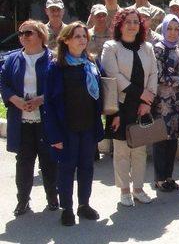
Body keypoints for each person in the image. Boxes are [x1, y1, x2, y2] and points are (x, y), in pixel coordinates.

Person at [44, 22, 104, 226]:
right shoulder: (56, 66)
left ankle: (83, 205)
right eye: (77, 36)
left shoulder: (92, 63)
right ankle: (67, 208)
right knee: (67, 169)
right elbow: (50, 105)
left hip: (88, 127)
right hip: (66, 129)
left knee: (87, 167)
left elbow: (100, 95)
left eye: (84, 36)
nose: (82, 40)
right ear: (66, 40)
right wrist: (54, 136)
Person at [101, 8, 158, 206]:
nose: (133, 25)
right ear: (120, 24)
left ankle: (139, 189)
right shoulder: (111, 47)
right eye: (129, 22)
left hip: (142, 106)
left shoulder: (147, 47)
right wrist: (140, 94)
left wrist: (146, 101)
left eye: (136, 22)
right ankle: (124, 190)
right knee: (122, 150)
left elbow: (153, 74)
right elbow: (114, 75)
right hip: (120, 106)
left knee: (140, 150)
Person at [1, 20, 57, 216]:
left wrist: (41, 99)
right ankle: (23, 200)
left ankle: (53, 197)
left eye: (28, 33)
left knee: (49, 160)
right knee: (24, 162)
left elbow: (59, 87)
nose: (23, 36)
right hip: (21, 119)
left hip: (46, 119)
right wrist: (14, 99)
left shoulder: (53, 59)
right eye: (20, 33)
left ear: (41, 35)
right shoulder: (12, 59)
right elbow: (4, 84)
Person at [152, 14, 179, 192]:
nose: (173, 32)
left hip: (176, 103)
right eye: (169, 28)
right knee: (161, 140)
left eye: (177, 29)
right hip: (162, 103)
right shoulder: (158, 49)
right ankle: (159, 179)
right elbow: (159, 76)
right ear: (164, 29)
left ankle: (169, 176)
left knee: (173, 140)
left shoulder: (178, 48)